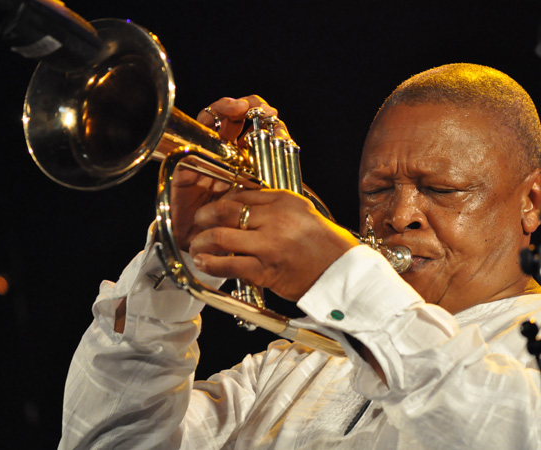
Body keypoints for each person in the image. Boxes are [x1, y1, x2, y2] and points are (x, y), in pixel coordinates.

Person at [58, 63, 541, 449]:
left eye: (441, 189)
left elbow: (508, 430)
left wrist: (342, 276)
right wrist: (179, 258)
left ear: (532, 203)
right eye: (377, 189)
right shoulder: (292, 364)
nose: (400, 214)